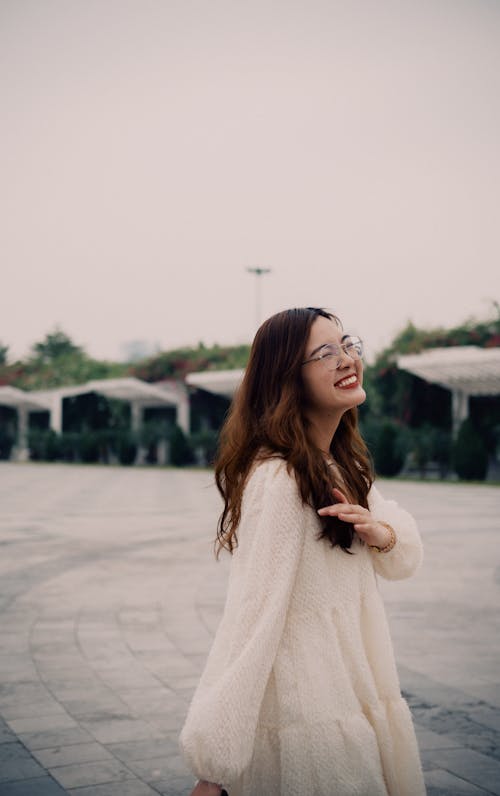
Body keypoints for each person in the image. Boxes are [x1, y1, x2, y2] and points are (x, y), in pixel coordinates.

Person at [178, 307, 426, 796]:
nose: (346, 358)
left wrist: (382, 534)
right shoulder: (280, 478)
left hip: (354, 696)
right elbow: (253, 617)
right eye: (324, 352)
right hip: (310, 726)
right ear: (287, 380)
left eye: (347, 343)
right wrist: (215, 766)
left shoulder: (339, 465)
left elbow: (403, 551)